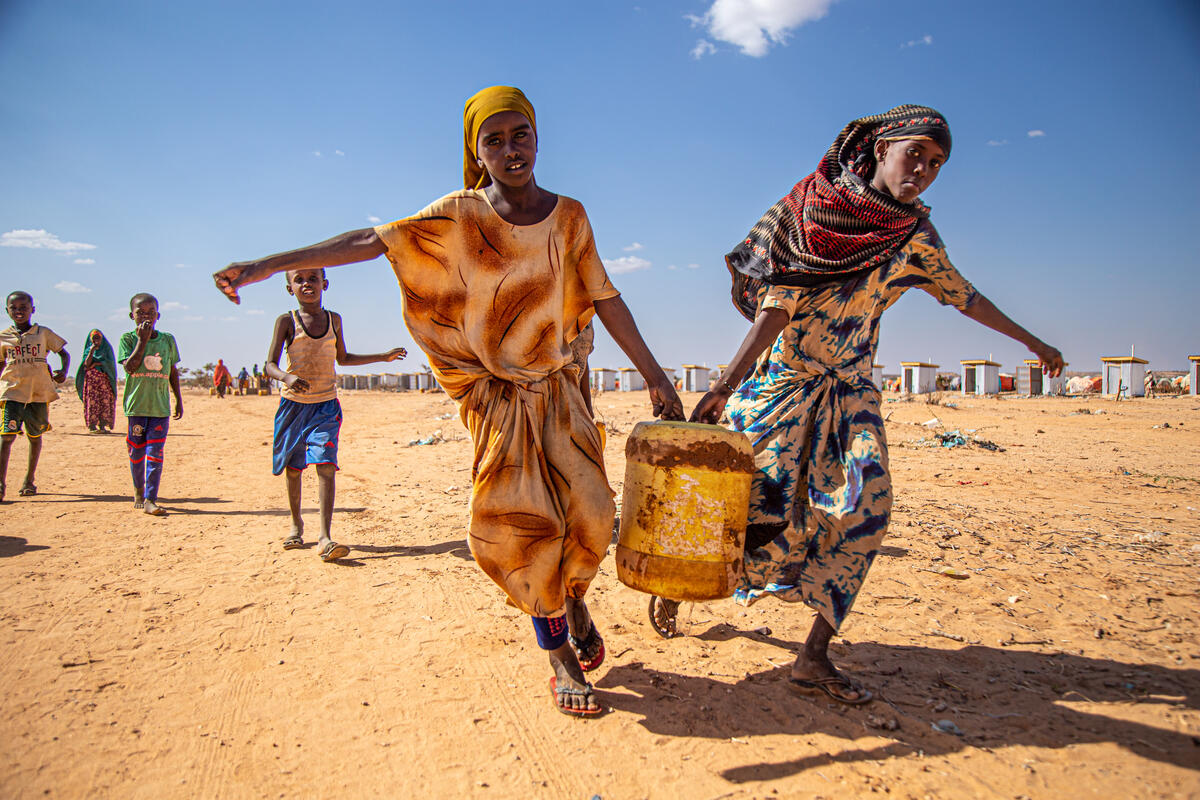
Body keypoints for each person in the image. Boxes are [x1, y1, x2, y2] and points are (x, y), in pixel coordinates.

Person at [213, 86, 684, 717]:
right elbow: (372, 239)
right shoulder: (459, 216)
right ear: (477, 150)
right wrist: (268, 265)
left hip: (561, 390)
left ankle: (572, 595)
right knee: (525, 524)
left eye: (521, 135)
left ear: (538, 138)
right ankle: (558, 655)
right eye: (494, 140)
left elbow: (604, 296)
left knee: (594, 511)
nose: (510, 150)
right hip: (495, 398)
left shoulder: (570, 216)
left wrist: (654, 374)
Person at [677, 106, 1064, 705]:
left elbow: (965, 298)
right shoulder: (815, 212)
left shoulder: (915, 237)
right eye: (916, 154)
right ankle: (680, 584)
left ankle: (813, 656)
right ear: (881, 148)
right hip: (782, 387)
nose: (925, 171)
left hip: (851, 391)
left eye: (937, 164)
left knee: (868, 507)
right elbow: (774, 308)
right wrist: (725, 385)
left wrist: (1034, 342)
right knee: (749, 511)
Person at [266, 267, 406, 562]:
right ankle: (296, 524)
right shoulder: (286, 321)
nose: (307, 284)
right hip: (293, 407)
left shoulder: (334, 320)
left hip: (326, 406)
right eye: (299, 280)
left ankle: (325, 536)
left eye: (313, 278)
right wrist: (287, 378)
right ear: (289, 288)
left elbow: (343, 358)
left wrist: (382, 356)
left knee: (326, 464)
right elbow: (269, 364)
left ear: (324, 284)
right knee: (294, 469)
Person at [0, 291, 69, 501]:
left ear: (32, 310)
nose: (19, 311)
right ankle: (1, 484)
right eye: (14, 308)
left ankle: (29, 480)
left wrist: (63, 372)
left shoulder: (43, 333)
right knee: (6, 437)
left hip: (38, 393)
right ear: (7, 311)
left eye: (23, 307)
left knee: (35, 436)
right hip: (13, 392)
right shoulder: (3, 337)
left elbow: (63, 353)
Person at [118, 293, 183, 516]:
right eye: (140, 313)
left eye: (150, 312)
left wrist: (178, 399)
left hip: (160, 408)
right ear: (131, 316)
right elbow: (130, 367)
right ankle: (138, 491)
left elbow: (172, 370)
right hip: (137, 407)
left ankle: (150, 498)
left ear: (158, 315)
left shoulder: (167, 340)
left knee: (155, 452)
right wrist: (142, 340)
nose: (146, 316)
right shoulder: (127, 340)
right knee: (136, 453)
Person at [75, 329, 117, 433]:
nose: (96, 341)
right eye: (94, 339)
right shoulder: (88, 350)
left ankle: (102, 426)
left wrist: (96, 364)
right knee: (92, 402)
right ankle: (92, 426)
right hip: (91, 382)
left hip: (104, 380)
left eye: (98, 338)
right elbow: (86, 364)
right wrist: (92, 351)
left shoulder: (106, 349)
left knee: (105, 402)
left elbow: (110, 364)